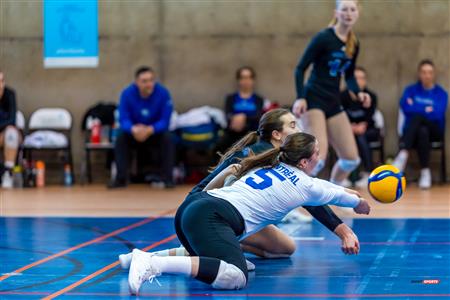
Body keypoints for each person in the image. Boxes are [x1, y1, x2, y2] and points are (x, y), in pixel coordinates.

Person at [127, 132, 371, 294]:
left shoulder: (271, 163)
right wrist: (360, 204)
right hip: (212, 217)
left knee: (225, 255)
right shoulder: (306, 185)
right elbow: (342, 196)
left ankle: (137, 257)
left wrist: (354, 198)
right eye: (317, 153)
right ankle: (154, 264)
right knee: (235, 277)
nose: (320, 157)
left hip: (194, 209)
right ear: (305, 162)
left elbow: (334, 189)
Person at [292, 0, 371, 187]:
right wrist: (301, 97)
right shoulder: (323, 38)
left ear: (357, 13)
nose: (349, 13)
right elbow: (300, 68)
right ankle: (294, 199)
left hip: (333, 102)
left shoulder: (354, 43)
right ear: (336, 13)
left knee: (351, 159)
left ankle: (334, 193)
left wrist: (358, 93)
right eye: (344, 9)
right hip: (314, 100)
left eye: (352, 9)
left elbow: (349, 74)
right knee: (317, 159)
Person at [108, 66, 175, 189]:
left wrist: (149, 129)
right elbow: (123, 119)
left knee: (168, 138)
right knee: (120, 137)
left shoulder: (163, 93)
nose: (149, 84)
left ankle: (168, 179)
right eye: (144, 81)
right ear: (137, 82)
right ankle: (121, 179)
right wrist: (134, 129)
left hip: (154, 133)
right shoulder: (127, 94)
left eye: (151, 80)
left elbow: (165, 120)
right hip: (134, 133)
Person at [393, 59, 448, 189]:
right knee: (422, 131)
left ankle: (403, 152)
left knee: (418, 118)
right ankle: (425, 173)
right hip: (416, 132)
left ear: (434, 74)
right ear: (419, 74)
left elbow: (438, 114)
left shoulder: (441, 93)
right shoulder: (411, 90)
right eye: (424, 72)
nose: (427, 75)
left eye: (429, 72)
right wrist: (426, 109)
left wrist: (416, 107)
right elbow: (405, 107)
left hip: (435, 130)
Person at [341, 66, 379, 187]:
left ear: (365, 80)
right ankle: (345, 175)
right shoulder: (341, 96)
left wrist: (361, 127)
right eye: (355, 78)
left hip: (368, 129)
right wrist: (350, 127)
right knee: (345, 138)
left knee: (361, 137)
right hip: (347, 129)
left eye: (362, 78)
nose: (358, 81)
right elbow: (339, 116)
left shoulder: (371, 96)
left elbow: (370, 116)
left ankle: (368, 172)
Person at [214, 66, 264, 157]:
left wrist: (244, 117)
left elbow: (258, 116)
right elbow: (227, 115)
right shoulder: (231, 98)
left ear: (253, 80)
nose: (246, 81)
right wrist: (235, 118)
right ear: (238, 80)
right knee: (218, 146)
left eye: (249, 78)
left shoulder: (258, 99)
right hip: (233, 131)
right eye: (243, 78)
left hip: (250, 133)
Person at [0, 70, 20, 189]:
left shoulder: (10, 94)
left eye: (2, 81)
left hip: (5, 133)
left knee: (11, 133)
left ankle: (8, 173)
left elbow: (12, 120)